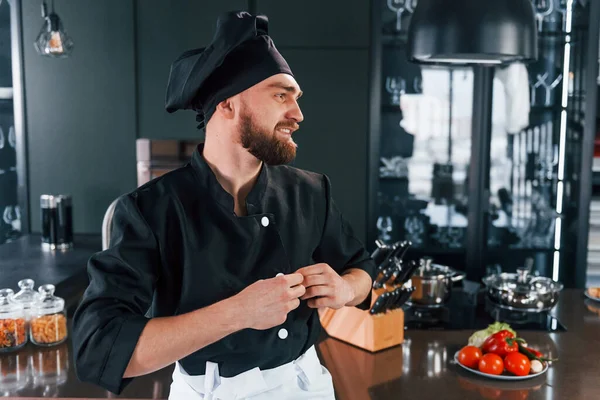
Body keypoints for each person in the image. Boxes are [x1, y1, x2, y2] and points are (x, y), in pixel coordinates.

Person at [72, 11, 375, 400]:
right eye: (281, 95)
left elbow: (363, 267)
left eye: (297, 99)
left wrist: (345, 288)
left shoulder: (313, 191)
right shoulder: (152, 211)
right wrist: (238, 313)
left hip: (306, 385)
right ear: (228, 105)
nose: (298, 114)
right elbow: (97, 347)